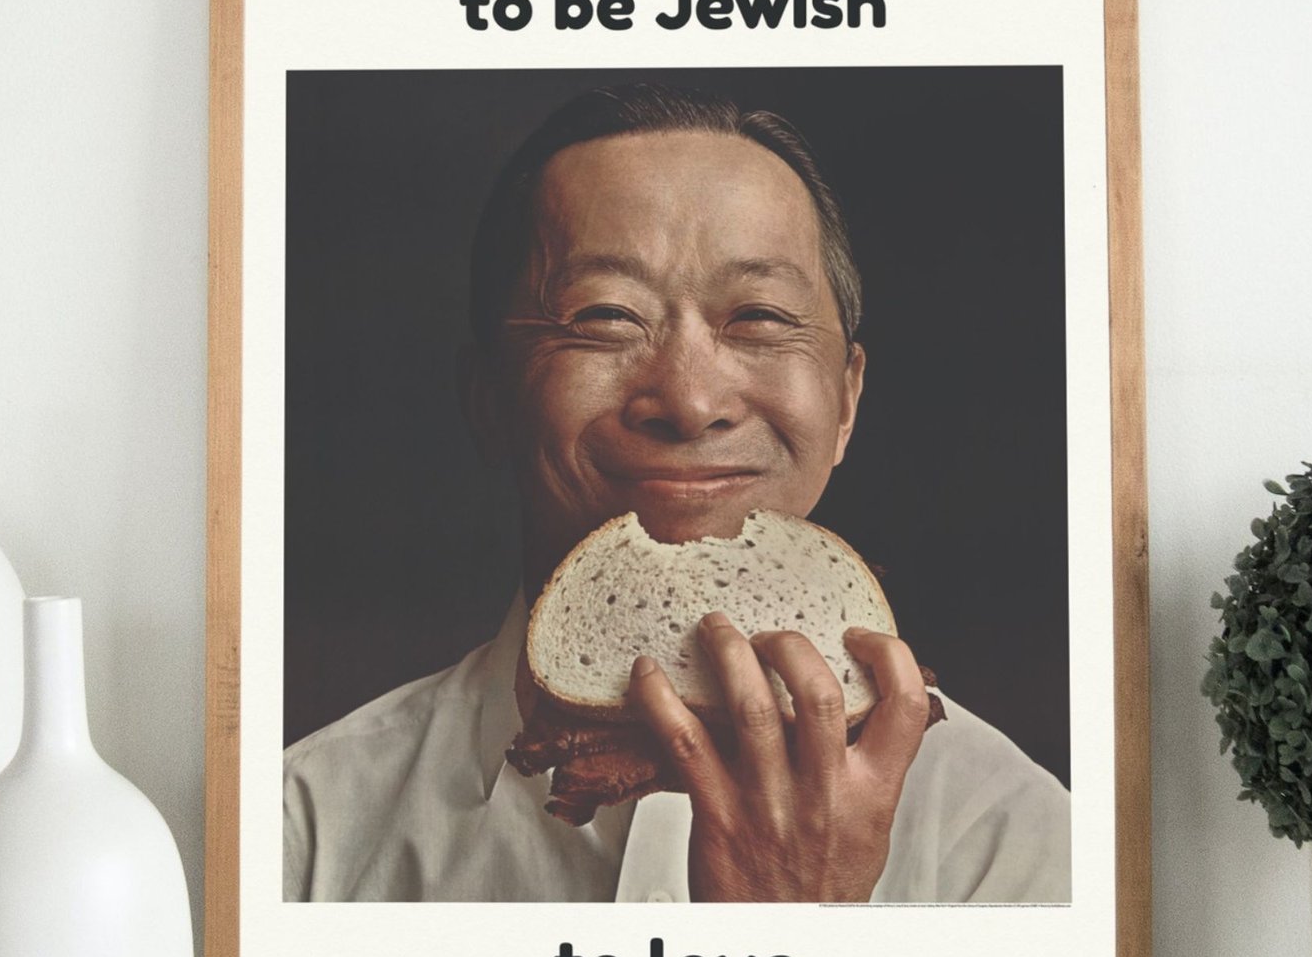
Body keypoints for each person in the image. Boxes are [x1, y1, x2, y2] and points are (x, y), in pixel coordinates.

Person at [283, 83, 1070, 904]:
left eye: (760, 316)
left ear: (846, 404)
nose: (692, 402)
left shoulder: (1008, 840)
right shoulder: (309, 832)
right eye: (607, 316)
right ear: (489, 399)